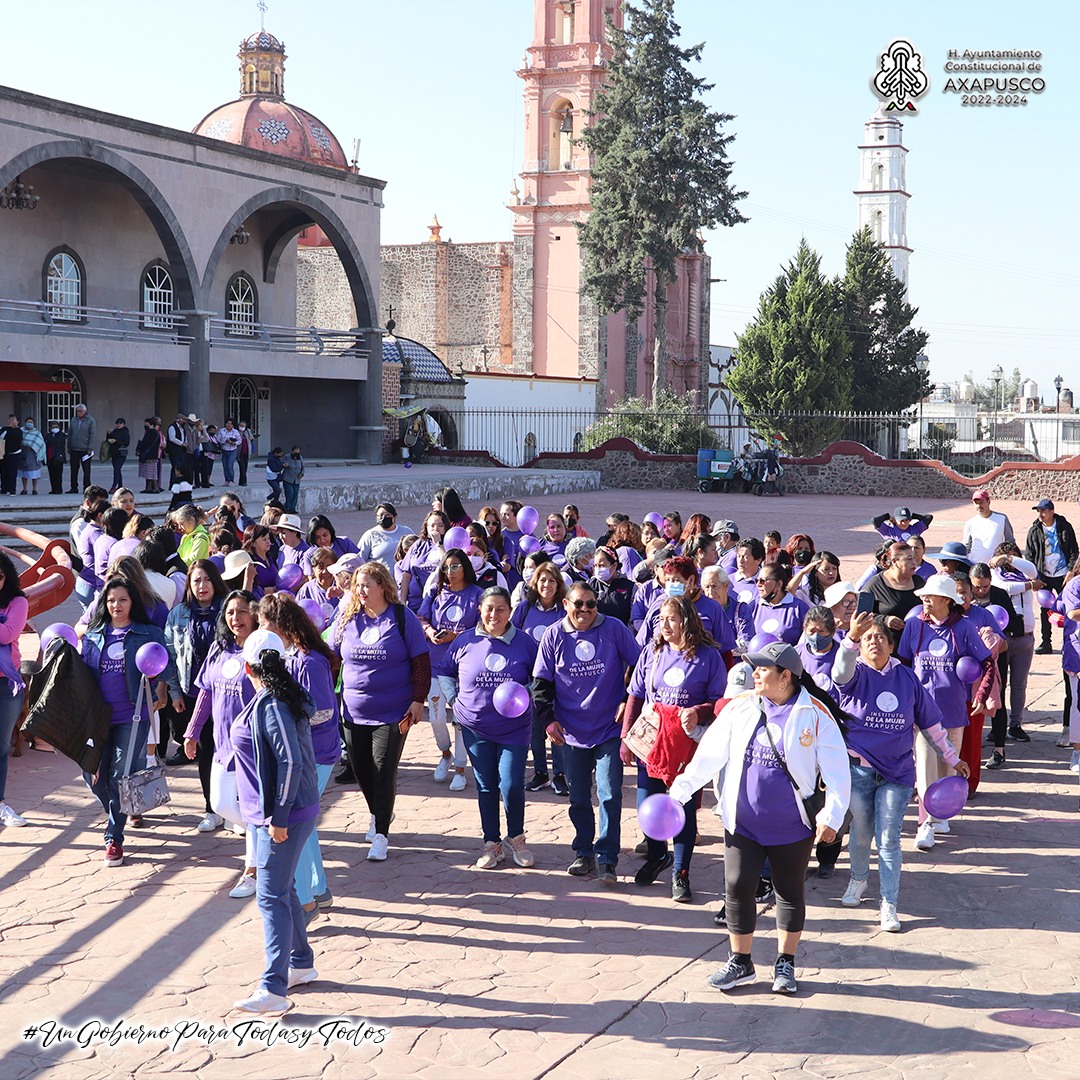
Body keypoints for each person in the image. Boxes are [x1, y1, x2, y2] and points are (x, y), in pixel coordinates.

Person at [669, 642, 850, 995]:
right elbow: (709, 755)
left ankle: (785, 963)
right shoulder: (740, 707)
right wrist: (680, 791)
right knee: (736, 886)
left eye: (763, 668)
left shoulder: (815, 715)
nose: (755, 673)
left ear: (786, 676)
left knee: (788, 891)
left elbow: (837, 772)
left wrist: (832, 815)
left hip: (792, 824)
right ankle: (741, 962)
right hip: (743, 821)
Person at [832, 612, 970, 931]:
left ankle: (889, 903)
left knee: (888, 837)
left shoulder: (907, 678)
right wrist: (850, 638)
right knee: (862, 833)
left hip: (897, 773)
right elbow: (839, 672)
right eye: (867, 639)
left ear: (892, 646)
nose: (874, 642)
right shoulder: (854, 673)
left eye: (880, 637)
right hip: (860, 770)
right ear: (860, 647)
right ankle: (858, 880)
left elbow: (932, 724)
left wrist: (952, 757)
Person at [230, 628, 321, 1015]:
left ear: (247, 666)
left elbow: (290, 762)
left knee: (269, 897)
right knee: (282, 891)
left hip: (283, 816)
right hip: (280, 813)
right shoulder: (280, 697)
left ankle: (274, 988)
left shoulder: (272, 704)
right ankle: (301, 963)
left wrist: (278, 817)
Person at [533, 582, 641, 886]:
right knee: (578, 797)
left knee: (609, 793)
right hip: (570, 732)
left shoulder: (615, 629)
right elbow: (541, 684)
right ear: (566, 603)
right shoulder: (554, 635)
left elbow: (639, 665)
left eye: (591, 605)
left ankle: (607, 858)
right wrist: (548, 721)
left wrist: (627, 701)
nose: (584, 610)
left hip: (608, 727)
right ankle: (583, 852)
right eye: (578, 604)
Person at [622, 596, 727, 902]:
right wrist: (626, 736)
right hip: (653, 741)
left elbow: (717, 701)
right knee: (648, 805)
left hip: (686, 746)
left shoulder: (708, 657)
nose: (664, 626)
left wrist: (700, 711)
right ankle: (657, 856)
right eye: (660, 620)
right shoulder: (652, 652)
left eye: (671, 619)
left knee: (682, 806)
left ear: (687, 622)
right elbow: (636, 694)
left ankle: (680, 871)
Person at [329, 562, 430, 861]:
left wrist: (418, 700)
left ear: (383, 586)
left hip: (394, 710)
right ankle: (378, 812)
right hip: (353, 709)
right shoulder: (347, 619)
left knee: (383, 769)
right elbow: (331, 656)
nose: (360, 591)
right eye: (357, 585)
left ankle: (382, 834)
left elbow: (421, 662)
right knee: (361, 770)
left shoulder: (402, 618)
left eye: (366, 585)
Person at [80, 576, 176, 867]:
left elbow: (166, 666)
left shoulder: (147, 632)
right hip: (98, 718)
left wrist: (162, 687)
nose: (116, 605)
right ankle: (122, 807)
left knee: (119, 776)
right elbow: (83, 675)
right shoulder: (95, 634)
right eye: (111, 601)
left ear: (132, 601)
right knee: (92, 777)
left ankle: (113, 837)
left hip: (133, 718)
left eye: (122, 599)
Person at [257, 592, 340, 925]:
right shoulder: (290, 655)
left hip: (315, 755)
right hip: (307, 753)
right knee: (308, 828)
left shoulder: (308, 661)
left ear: (281, 625)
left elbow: (324, 711)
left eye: (264, 625)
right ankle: (319, 889)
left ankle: (305, 904)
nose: (260, 632)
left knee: (296, 827)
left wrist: (291, 719)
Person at [897, 574, 993, 853]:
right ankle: (924, 823)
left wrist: (981, 694)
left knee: (947, 769)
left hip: (953, 710)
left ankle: (941, 814)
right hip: (922, 713)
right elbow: (903, 663)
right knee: (925, 766)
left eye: (931, 596)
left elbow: (987, 662)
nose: (924, 600)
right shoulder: (914, 625)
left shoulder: (964, 627)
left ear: (947, 600)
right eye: (924, 596)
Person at [446, 587, 540, 869]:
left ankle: (517, 838)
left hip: (514, 728)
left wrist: (527, 693)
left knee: (511, 784)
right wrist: (453, 699)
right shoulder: (465, 641)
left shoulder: (523, 643)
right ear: (480, 610)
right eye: (489, 608)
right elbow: (444, 671)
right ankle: (492, 844)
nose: (494, 614)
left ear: (509, 612)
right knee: (486, 787)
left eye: (501, 609)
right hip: (476, 728)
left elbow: (540, 677)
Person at [182, 589, 259, 897]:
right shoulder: (219, 648)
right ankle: (268, 831)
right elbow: (205, 693)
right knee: (220, 804)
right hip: (221, 745)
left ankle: (253, 870)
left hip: (253, 747)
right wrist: (192, 731)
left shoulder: (259, 650)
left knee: (252, 808)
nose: (235, 618)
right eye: (230, 613)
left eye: (241, 611)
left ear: (254, 615)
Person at [164, 561, 228, 828]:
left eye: (206, 580)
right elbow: (169, 654)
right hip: (193, 693)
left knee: (229, 749)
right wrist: (175, 692)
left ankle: (234, 806)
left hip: (226, 693)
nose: (201, 586)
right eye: (196, 581)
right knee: (204, 750)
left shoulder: (228, 610)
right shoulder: (178, 614)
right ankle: (211, 808)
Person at [418, 548, 485, 791]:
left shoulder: (477, 594)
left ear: (465, 567)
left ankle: (459, 768)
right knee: (435, 717)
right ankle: (445, 754)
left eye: (455, 566)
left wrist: (455, 636)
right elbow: (422, 618)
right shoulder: (436, 592)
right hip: (435, 665)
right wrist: (430, 633)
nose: (449, 572)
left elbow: (484, 626)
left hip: (464, 668)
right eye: (445, 567)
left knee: (460, 720)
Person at [512, 561, 568, 795]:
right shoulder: (525, 608)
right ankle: (541, 773)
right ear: (535, 583)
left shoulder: (564, 610)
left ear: (558, 585)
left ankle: (561, 775)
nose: (547, 585)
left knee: (556, 725)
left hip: (558, 678)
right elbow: (511, 635)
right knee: (534, 728)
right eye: (542, 580)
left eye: (552, 580)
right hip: (530, 678)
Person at [1024, 499, 1078, 655]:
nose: (1041, 514)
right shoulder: (1034, 531)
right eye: (1039, 511)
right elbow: (1029, 556)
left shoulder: (1064, 527)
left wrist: (1070, 571)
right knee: (1045, 610)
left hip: (1063, 576)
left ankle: (1069, 641)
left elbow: (1074, 551)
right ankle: (1046, 642)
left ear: (1051, 511)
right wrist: (1035, 576)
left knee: (1069, 608)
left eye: (1043, 511)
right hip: (1044, 576)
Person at [0, 553, 29, 826]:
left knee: (1, 745)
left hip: (6, 682)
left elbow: (8, 634)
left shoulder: (17, 602)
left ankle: (1, 803)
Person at [735, 563, 809, 649]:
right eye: (757, 581)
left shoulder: (799, 608)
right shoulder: (753, 606)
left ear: (779, 584)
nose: (758, 584)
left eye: (762, 581)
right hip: (756, 661)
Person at [860, 542, 926, 623]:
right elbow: (861, 616)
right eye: (909, 559)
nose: (914, 563)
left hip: (914, 634)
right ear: (894, 561)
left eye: (914, 558)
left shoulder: (919, 582)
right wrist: (885, 620)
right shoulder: (874, 585)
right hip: (885, 634)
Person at [397, 510, 447, 612]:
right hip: (414, 602)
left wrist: (438, 544)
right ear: (426, 527)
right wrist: (402, 601)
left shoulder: (448, 543)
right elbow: (406, 575)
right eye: (432, 525)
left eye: (440, 525)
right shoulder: (418, 545)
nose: (436, 529)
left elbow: (447, 564)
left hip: (437, 602)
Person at [963, 489, 1015, 564]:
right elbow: (966, 546)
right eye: (976, 503)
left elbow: (1010, 542)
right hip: (974, 565)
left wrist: (1006, 559)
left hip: (996, 566)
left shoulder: (1002, 518)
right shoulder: (970, 523)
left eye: (981, 503)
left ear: (988, 501)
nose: (979, 506)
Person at [357, 503, 413, 570]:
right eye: (380, 515)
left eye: (387, 515)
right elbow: (359, 559)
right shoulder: (370, 535)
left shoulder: (406, 532)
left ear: (394, 517)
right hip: (379, 578)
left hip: (402, 577)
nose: (383, 518)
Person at [589, 545, 634, 626]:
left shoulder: (630, 587)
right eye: (595, 566)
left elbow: (633, 617)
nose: (598, 569)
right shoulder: (590, 585)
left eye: (602, 565)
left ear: (614, 566)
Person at [67, 402, 96, 493]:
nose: (78, 413)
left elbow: (92, 435)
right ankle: (74, 487)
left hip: (85, 449)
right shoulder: (73, 420)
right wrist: (69, 446)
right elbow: (70, 433)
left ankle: (86, 488)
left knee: (86, 470)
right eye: (77, 411)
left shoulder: (90, 420)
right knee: (74, 470)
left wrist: (90, 448)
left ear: (85, 411)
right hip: (74, 448)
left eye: (80, 411)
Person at [19, 418, 46, 496]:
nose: (29, 423)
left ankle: (34, 489)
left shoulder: (37, 433)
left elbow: (41, 443)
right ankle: (24, 489)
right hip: (24, 453)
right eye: (28, 422)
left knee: (35, 472)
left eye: (31, 422)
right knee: (24, 472)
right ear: (25, 422)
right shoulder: (21, 431)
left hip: (34, 454)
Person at [135, 418, 163, 494]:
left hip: (149, 455)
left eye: (147, 424)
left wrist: (139, 448)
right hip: (153, 455)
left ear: (152, 425)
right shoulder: (156, 433)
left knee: (151, 473)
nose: (145, 426)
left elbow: (145, 443)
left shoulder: (151, 432)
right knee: (150, 473)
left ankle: (154, 487)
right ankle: (149, 487)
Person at [105, 418, 130, 493]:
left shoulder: (125, 432)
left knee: (116, 469)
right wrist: (108, 434)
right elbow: (108, 440)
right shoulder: (114, 431)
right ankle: (120, 486)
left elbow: (126, 443)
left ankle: (114, 486)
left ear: (123, 424)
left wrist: (117, 441)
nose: (118, 425)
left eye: (120, 423)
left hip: (121, 453)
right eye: (117, 423)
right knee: (117, 470)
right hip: (114, 453)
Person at [0, 415, 24, 496]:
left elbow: (13, 436)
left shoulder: (19, 431)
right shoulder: (5, 429)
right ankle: (4, 489)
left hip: (15, 454)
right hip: (4, 454)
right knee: (4, 472)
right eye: (10, 419)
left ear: (17, 421)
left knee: (12, 473)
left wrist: (9, 430)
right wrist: (8, 428)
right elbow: (2, 436)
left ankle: (12, 490)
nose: (11, 421)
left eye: (13, 419)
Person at [217, 419, 243, 485]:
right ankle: (226, 480)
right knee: (225, 466)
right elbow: (218, 440)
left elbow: (239, 440)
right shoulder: (221, 431)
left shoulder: (235, 431)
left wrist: (234, 443)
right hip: (224, 450)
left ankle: (231, 480)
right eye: (228, 423)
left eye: (231, 424)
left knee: (230, 465)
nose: (229, 425)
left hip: (232, 450)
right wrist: (225, 441)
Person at [44, 419, 67, 495]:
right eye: (53, 426)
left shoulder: (62, 435)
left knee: (58, 474)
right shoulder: (48, 435)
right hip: (50, 456)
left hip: (58, 457)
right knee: (52, 474)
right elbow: (47, 442)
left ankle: (59, 489)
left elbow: (59, 442)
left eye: (56, 426)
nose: (55, 428)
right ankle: (53, 489)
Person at [280, 445, 305, 513]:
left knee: (295, 495)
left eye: (298, 451)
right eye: (296, 450)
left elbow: (303, 467)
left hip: (296, 480)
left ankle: (293, 508)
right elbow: (280, 462)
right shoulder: (287, 457)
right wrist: (284, 464)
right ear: (292, 451)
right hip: (288, 479)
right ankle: (287, 508)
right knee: (289, 494)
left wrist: (301, 474)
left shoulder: (300, 458)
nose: (297, 452)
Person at [237, 421, 254, 486]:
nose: (242, 427)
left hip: (246, 452)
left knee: (244, 468)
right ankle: (244, 482)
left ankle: (241, 481)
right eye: (240, 426)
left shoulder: (248, 431)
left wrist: (251, 437)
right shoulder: (237, 432)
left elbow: (251, 439)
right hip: (239, 452)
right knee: (242, 467)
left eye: (243, 426)